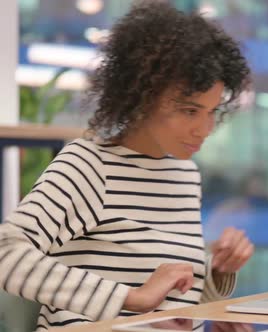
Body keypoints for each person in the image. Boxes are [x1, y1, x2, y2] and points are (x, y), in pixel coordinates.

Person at [0, 1, 253, 330]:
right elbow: (5, 253)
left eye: (211, 112)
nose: (204, 129)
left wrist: (218, 272)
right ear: (142, 97)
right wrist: (131, 298)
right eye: (190, 111)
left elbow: (166, 301)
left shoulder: (184, 175)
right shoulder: (90, 166)